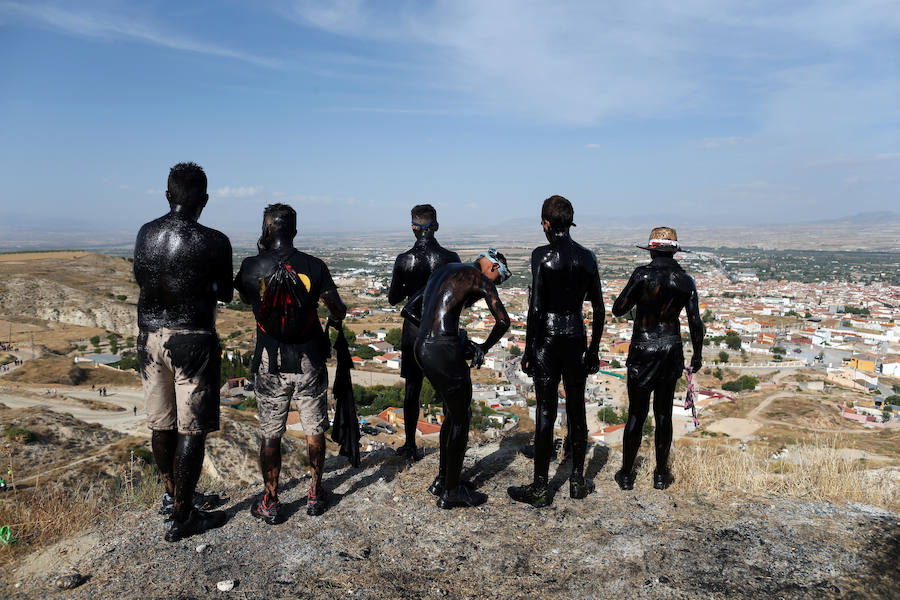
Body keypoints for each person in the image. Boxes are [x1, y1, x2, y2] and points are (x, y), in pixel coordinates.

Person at [134, 162, 233, 542]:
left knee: (161, 422)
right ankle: (183, 516)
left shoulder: (147, 233)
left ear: (167, 195)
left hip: (148, 336)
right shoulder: (213, 241)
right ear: (205, 200)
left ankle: (172, 494)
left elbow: (142, 278)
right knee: (191, 428)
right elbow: (224, 292)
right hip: (192, 338)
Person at [234, 203, 347, 523]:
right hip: (309, 358)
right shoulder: (314, 265)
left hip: (270, 360)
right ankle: (314, 492)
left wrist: (260, 252)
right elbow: (337, 309)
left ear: (266, 229)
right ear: (295, 230)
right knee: (314, 429)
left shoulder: (251, 266)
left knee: (271, 433)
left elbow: (245, 298)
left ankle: (270, 500)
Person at [508, 195, 605, 507]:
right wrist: (593, 349)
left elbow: (536, 308)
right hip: (576, 335)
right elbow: (600, 310)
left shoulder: (541, 256)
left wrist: (528, 348)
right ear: (570, 222)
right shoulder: (588, 258)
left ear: (547, 223)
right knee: (577, 409)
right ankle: (577, 480)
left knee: (546, 410)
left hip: (548, 338)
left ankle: (540, 487)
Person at [403, 249, 511, 509]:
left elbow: (408, 310)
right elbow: (503, 321)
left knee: (452, 414)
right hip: (443, 349)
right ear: (494, 268)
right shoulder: (480, 279)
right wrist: (482, 347)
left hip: (422, 347)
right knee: (461, 419)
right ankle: (451, 491)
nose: (493, 285)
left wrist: (448, 336)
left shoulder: (444, 270)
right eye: (498, 280)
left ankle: (443, 479)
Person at [611, 227, 704, 490]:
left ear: (651, 249)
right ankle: (661, 475)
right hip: (671, 349)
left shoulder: (642, 275)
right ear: (674, 251)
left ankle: (627, 475)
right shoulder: (685, 280)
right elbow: (696, 323)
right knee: (663, 415)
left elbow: (619, 309)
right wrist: (697, 355)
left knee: (636, 415)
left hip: (643, 349)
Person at [387, 204, 460, 461]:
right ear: (436, 226)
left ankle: (410, 445)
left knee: (412, 389)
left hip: (413, 330)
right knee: (448, 389)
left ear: (413, 228)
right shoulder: (451, 258)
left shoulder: (404, 259)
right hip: (442, 329)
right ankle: (451, 444)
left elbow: (393, 298)